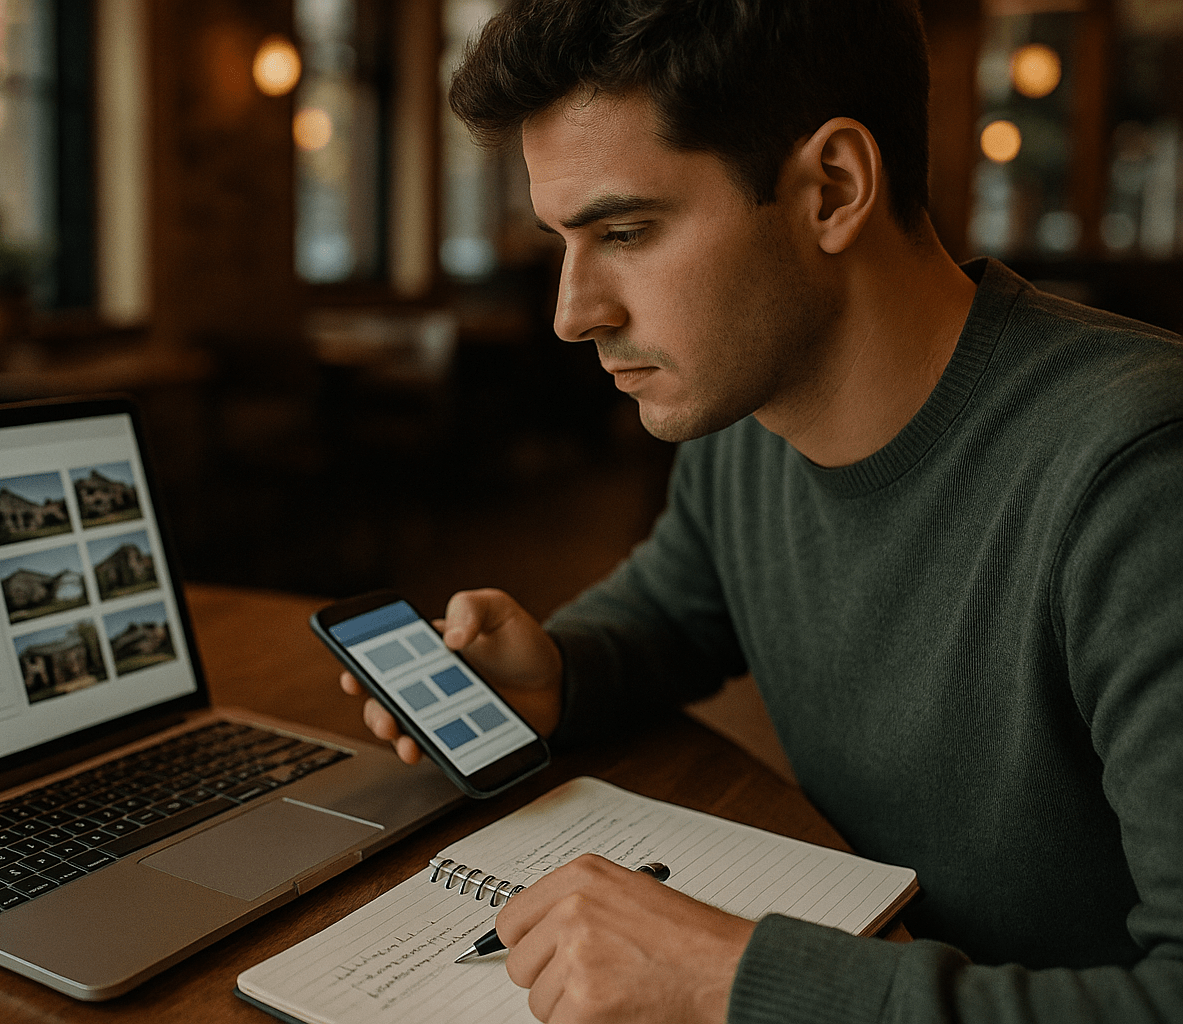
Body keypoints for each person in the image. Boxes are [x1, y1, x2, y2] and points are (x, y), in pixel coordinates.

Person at [337, 1, 1183, 1022]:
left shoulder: (1140, 480)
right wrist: (559, 671)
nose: (573, 312)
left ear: (832, 188)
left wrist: (729, 980)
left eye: (626, 230)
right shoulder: (748, 421)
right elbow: (674, 609)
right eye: (563, 239)